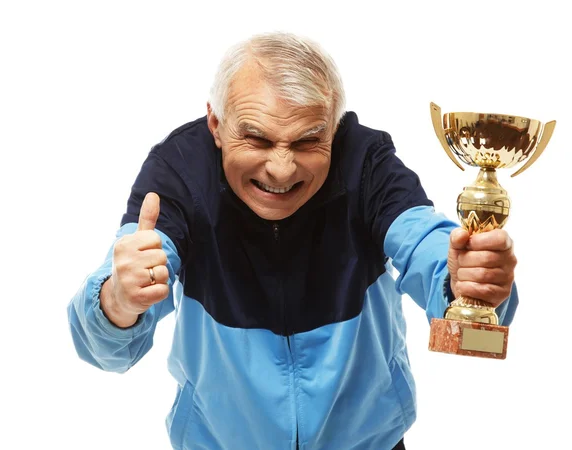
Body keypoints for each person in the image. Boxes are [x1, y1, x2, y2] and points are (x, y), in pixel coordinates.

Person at [67, 32, 518, 450]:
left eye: (307, 141)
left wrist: (468, 284)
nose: (281, 170)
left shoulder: (365, 161)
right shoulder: (179, 172)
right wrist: (118, 303)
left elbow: (426, 243)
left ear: (334, 128)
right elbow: (106, 350)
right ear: (215, 123)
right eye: (256, 138)